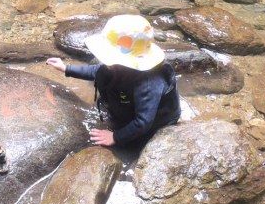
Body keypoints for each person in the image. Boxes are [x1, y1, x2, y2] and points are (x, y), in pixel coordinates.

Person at [46, 14, 180, 146]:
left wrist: (115, 137)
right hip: (129, 103)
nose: (106, 62)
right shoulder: (115, 67)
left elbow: (143, 122)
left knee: (135, 142)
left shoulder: (149, 83)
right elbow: (96, 71)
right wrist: (66, 68)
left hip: (157, 120)